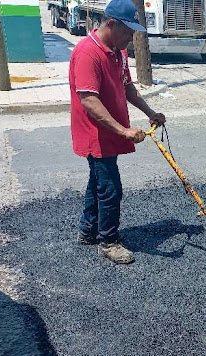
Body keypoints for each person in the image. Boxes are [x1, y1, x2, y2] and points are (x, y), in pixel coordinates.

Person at [69, 0, 165, 264]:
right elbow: (88, 100)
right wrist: (123, 130)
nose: (131, 38)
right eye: (127, 31)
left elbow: (127, 88)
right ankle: (108, 242)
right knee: (111, 188)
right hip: (95, 133)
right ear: (111, 24)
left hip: (111, 131)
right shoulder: (88, 53)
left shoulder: (118, 52)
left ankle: (88, 230)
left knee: (97, 182)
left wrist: (150, 113)